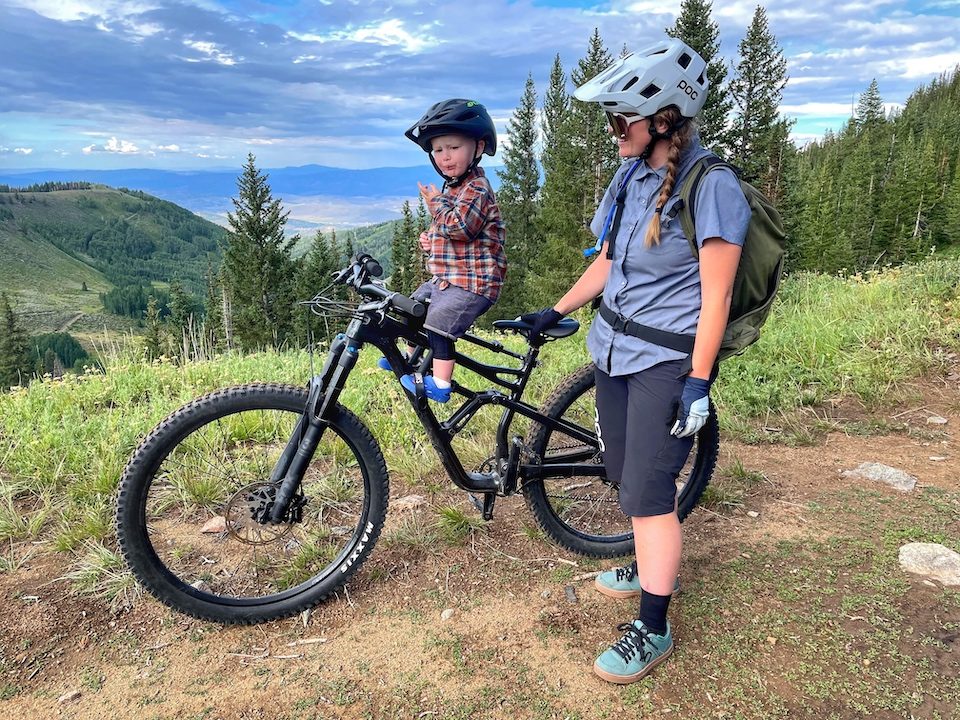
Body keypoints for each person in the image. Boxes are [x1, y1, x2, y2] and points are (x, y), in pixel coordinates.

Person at [521, 38, 750, 684]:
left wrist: (699, 380)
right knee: (622, 472)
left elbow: (718, 296)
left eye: (623, 118)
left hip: (665, 361)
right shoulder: (631, 176)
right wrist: (559, 311)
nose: (613, 129)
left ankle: (652, 626)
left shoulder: (712, 187)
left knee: (649, 493)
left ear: (667, 119)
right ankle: (647, 559)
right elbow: (609, 262)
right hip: (612, 351)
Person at [383, 99, 507, 403]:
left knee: (439, 323)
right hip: (449, 279)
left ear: (478, 147)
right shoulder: (454, 188)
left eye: (453, 147)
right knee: (411, 306)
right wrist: (431, 239)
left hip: (474, 284)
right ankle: (409, 358)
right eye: (438, 150)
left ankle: (440, 384)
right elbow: (448, 231)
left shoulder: (477, 189)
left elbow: (461, 227)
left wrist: (435, 204)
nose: (445, 157)